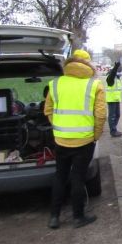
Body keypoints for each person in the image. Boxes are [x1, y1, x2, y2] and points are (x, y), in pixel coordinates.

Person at [44, 49, 106, 229]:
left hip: (61, 139)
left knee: (60, 176)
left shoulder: (55, 84)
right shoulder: (94, 85)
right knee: (78, 177)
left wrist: (59, 127)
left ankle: (54, 217)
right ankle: (78, 217)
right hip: (84, 140)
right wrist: (95, 135)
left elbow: (48, 110)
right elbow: (101, 115)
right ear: (88, 64)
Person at [105, 61, 122, 137]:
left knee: (118, 115)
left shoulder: (117, 79)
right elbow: (112, 75)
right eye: (119, 71)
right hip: (111, 100)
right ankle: (113, 131)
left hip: (116, 100)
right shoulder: (110, 78)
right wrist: (115, 68)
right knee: (112, 116)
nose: (120, 73)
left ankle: (113, 128)